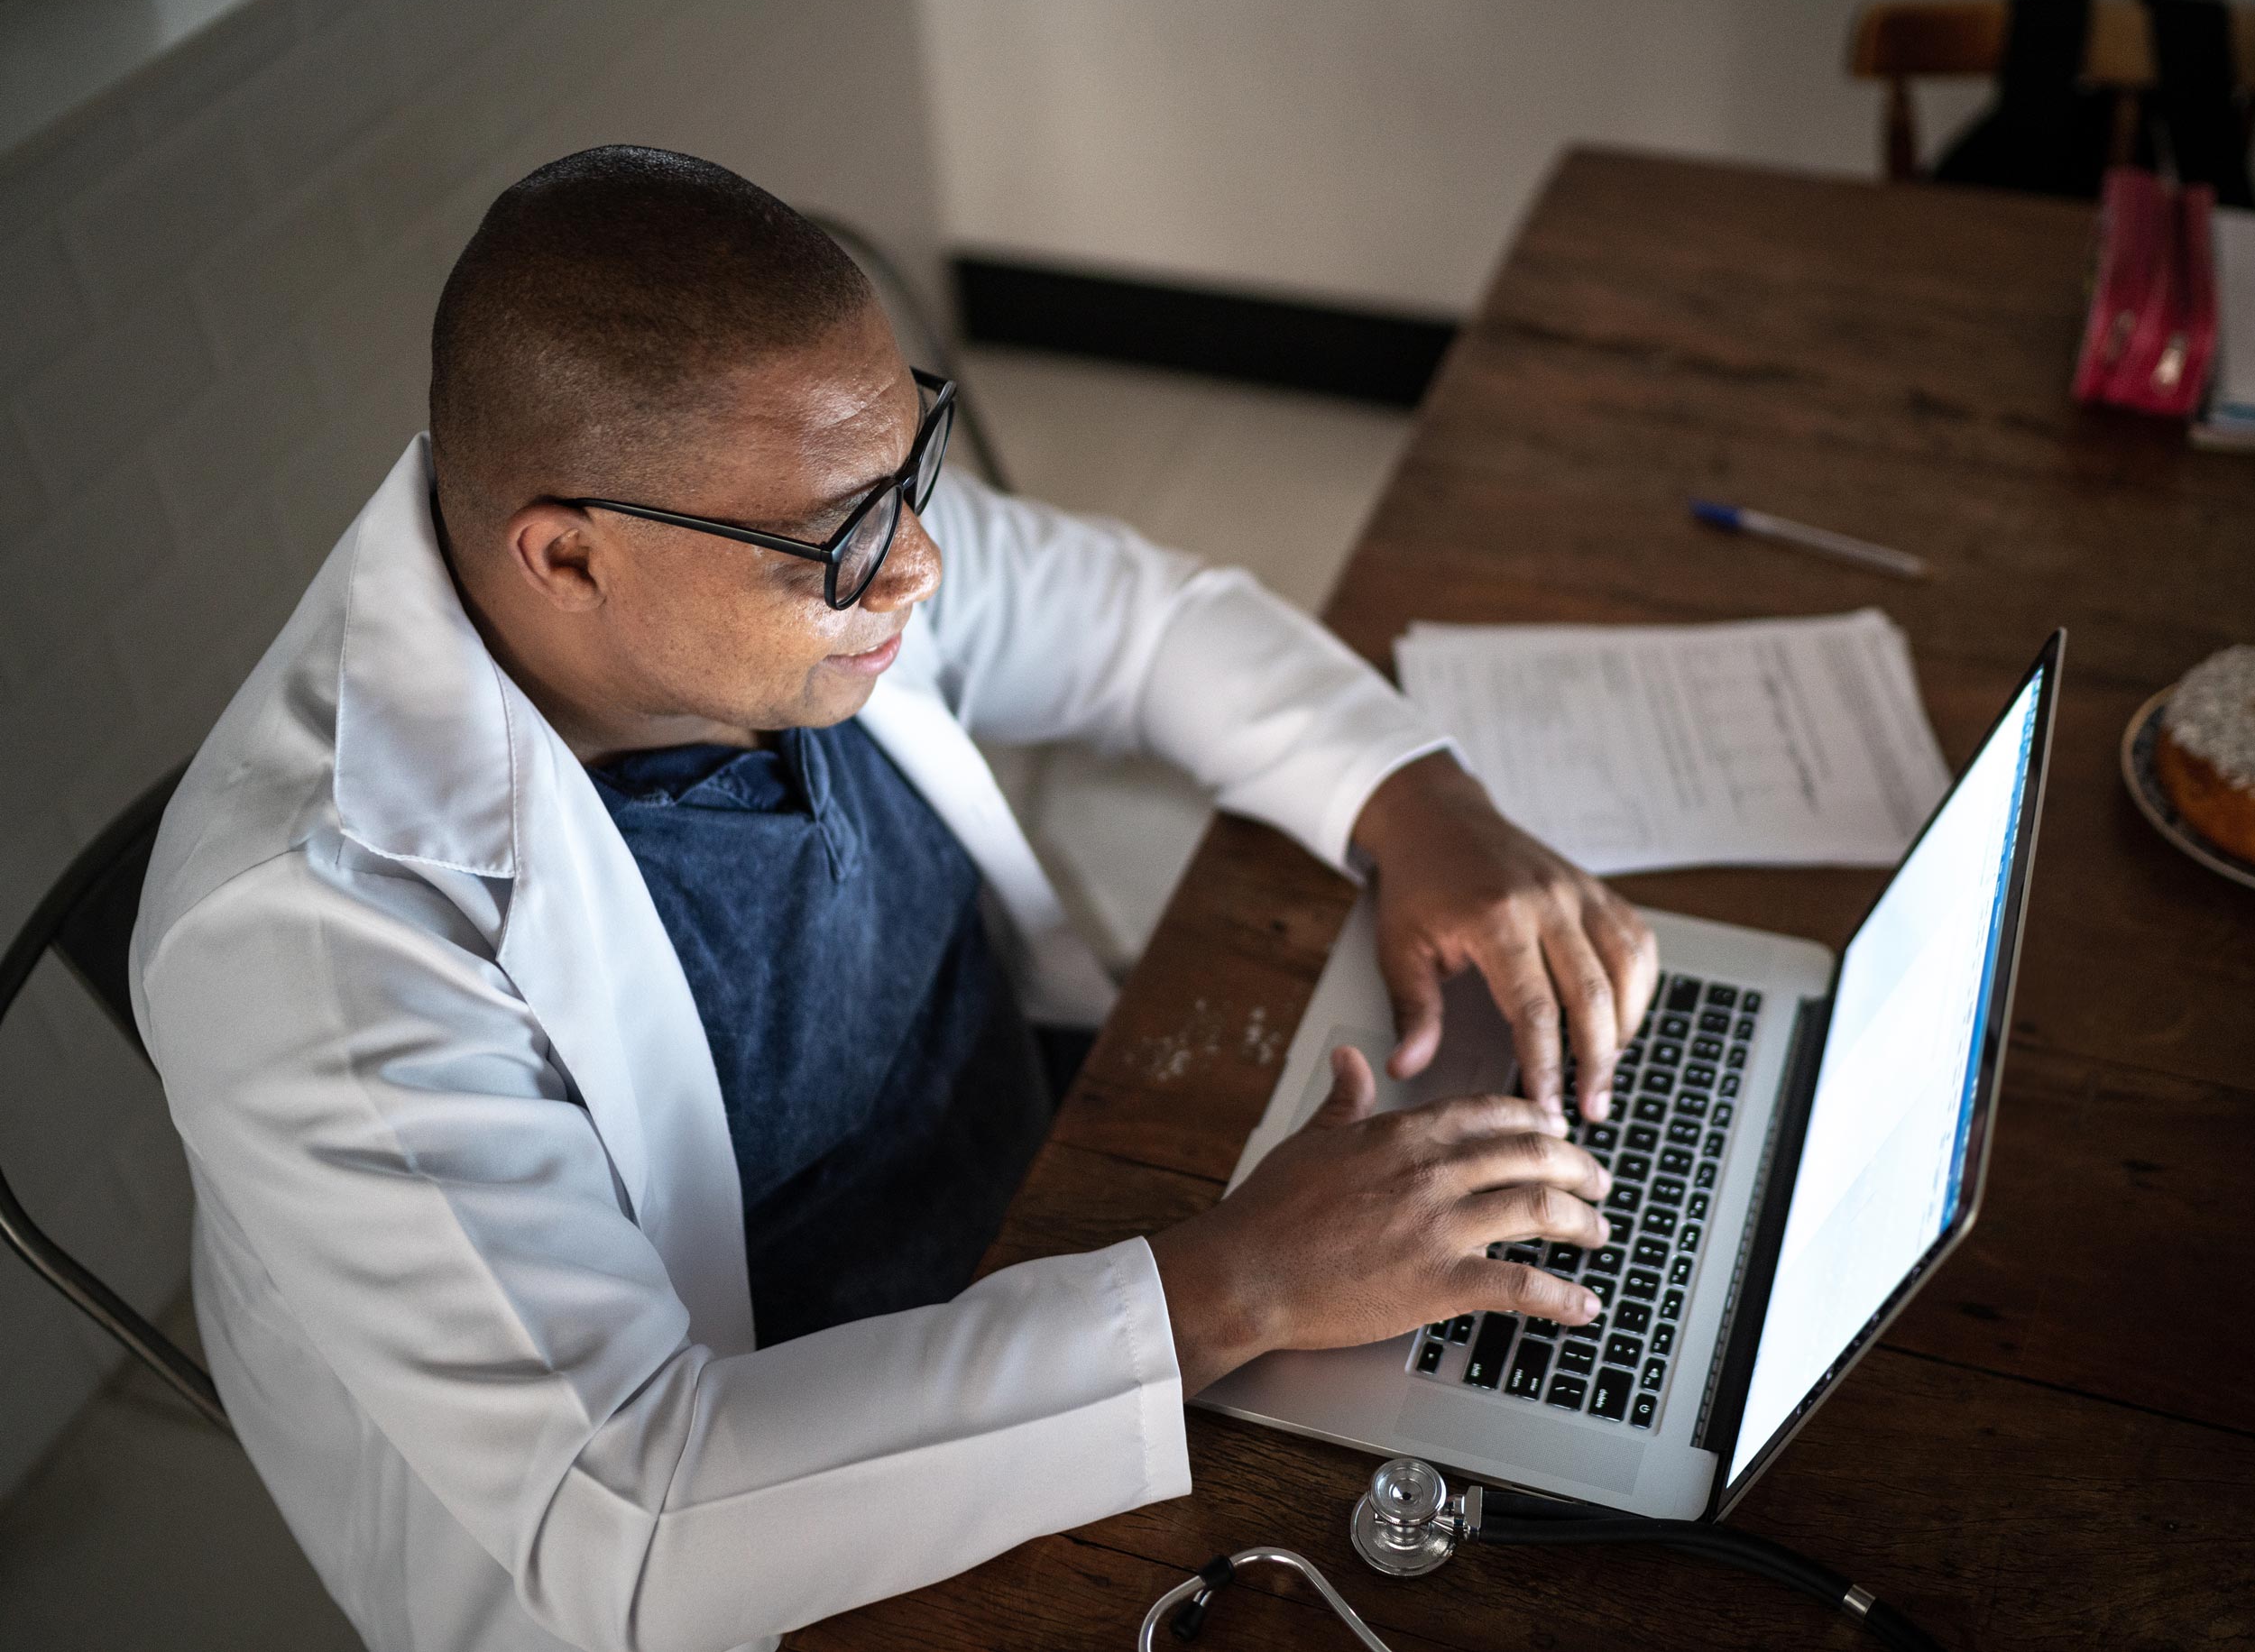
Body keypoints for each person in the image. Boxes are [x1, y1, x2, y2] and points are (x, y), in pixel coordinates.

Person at [130, 146, 1656, 1652]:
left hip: (1050, 1201)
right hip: (783, 1507)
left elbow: (1141, 625)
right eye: (850, 536)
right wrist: (1240, 1286)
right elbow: (639, 1516)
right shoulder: (312, 944)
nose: (919, 563)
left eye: (911, 466)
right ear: (568, 557)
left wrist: (1420, 801)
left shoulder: (783, 521)